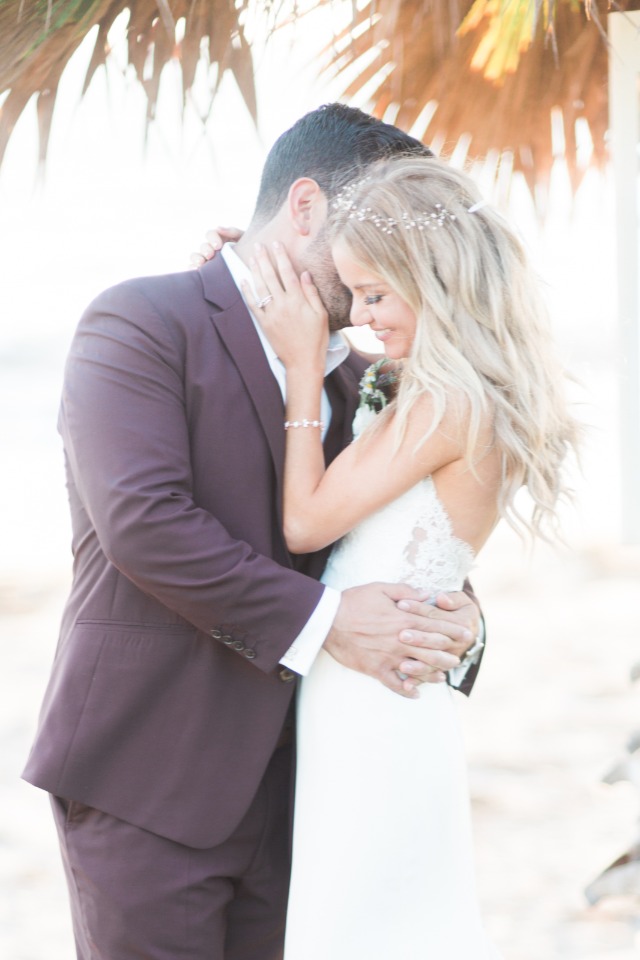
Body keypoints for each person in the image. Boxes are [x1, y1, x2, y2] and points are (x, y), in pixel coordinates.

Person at [22, 104, 483, 960]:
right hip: (149, 778)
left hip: (309, 788)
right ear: (305, 208)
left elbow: (390, 530)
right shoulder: (141, 322)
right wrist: (334, 624)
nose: (394, 254)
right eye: (375, 222)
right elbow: (145, 524)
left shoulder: (361, 376)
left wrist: (460, 621)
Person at [242, 155, 578, 959]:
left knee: (364, 924)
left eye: (375, 293)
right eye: (354, 293)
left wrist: (299, 366)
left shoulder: (448, 401)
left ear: (433, 278)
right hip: (384, 690)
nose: (358, 317)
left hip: (373, 703)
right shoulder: (449, 388)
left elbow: (305, 523)